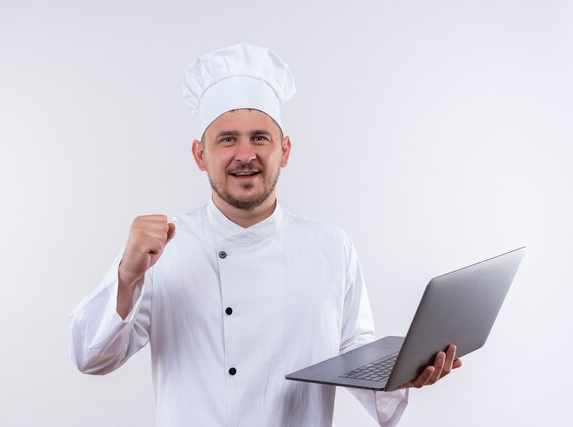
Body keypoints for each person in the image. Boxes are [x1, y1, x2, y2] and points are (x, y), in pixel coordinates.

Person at [69, 43, 461, 427]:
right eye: (227, 139)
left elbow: (355, 355)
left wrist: (403, 373)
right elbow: (92, 358)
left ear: (284, 150)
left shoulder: (331, 246)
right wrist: (127, 275)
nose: (245, 154)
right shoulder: (162, 249)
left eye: (260, 137)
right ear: (199, 155)